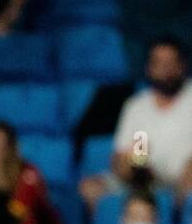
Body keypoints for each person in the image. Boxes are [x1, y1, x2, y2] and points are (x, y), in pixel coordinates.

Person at [80, 39, 192, 211]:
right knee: (90, 187)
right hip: (146, 178)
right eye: (159, 63)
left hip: (184, 178)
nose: (165, 69)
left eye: (171, 62)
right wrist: (136, 165)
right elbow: (129, 153)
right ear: (149, 68)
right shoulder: (137, 106)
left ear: (182, 65)